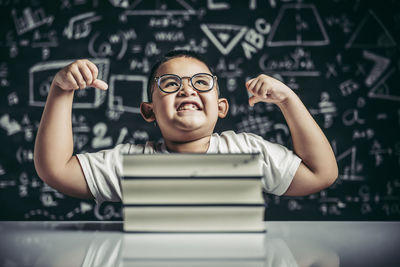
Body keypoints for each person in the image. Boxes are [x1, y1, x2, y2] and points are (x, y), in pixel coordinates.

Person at [34, 50, 338, 204]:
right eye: (170, 83)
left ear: (221, 108)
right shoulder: (131, 164)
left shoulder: (248, 151)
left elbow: (321, 174)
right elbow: (57, 170)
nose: (187, 90)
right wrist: (61, 90)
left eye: (201, 83)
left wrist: (288, 100)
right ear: (149, 111)